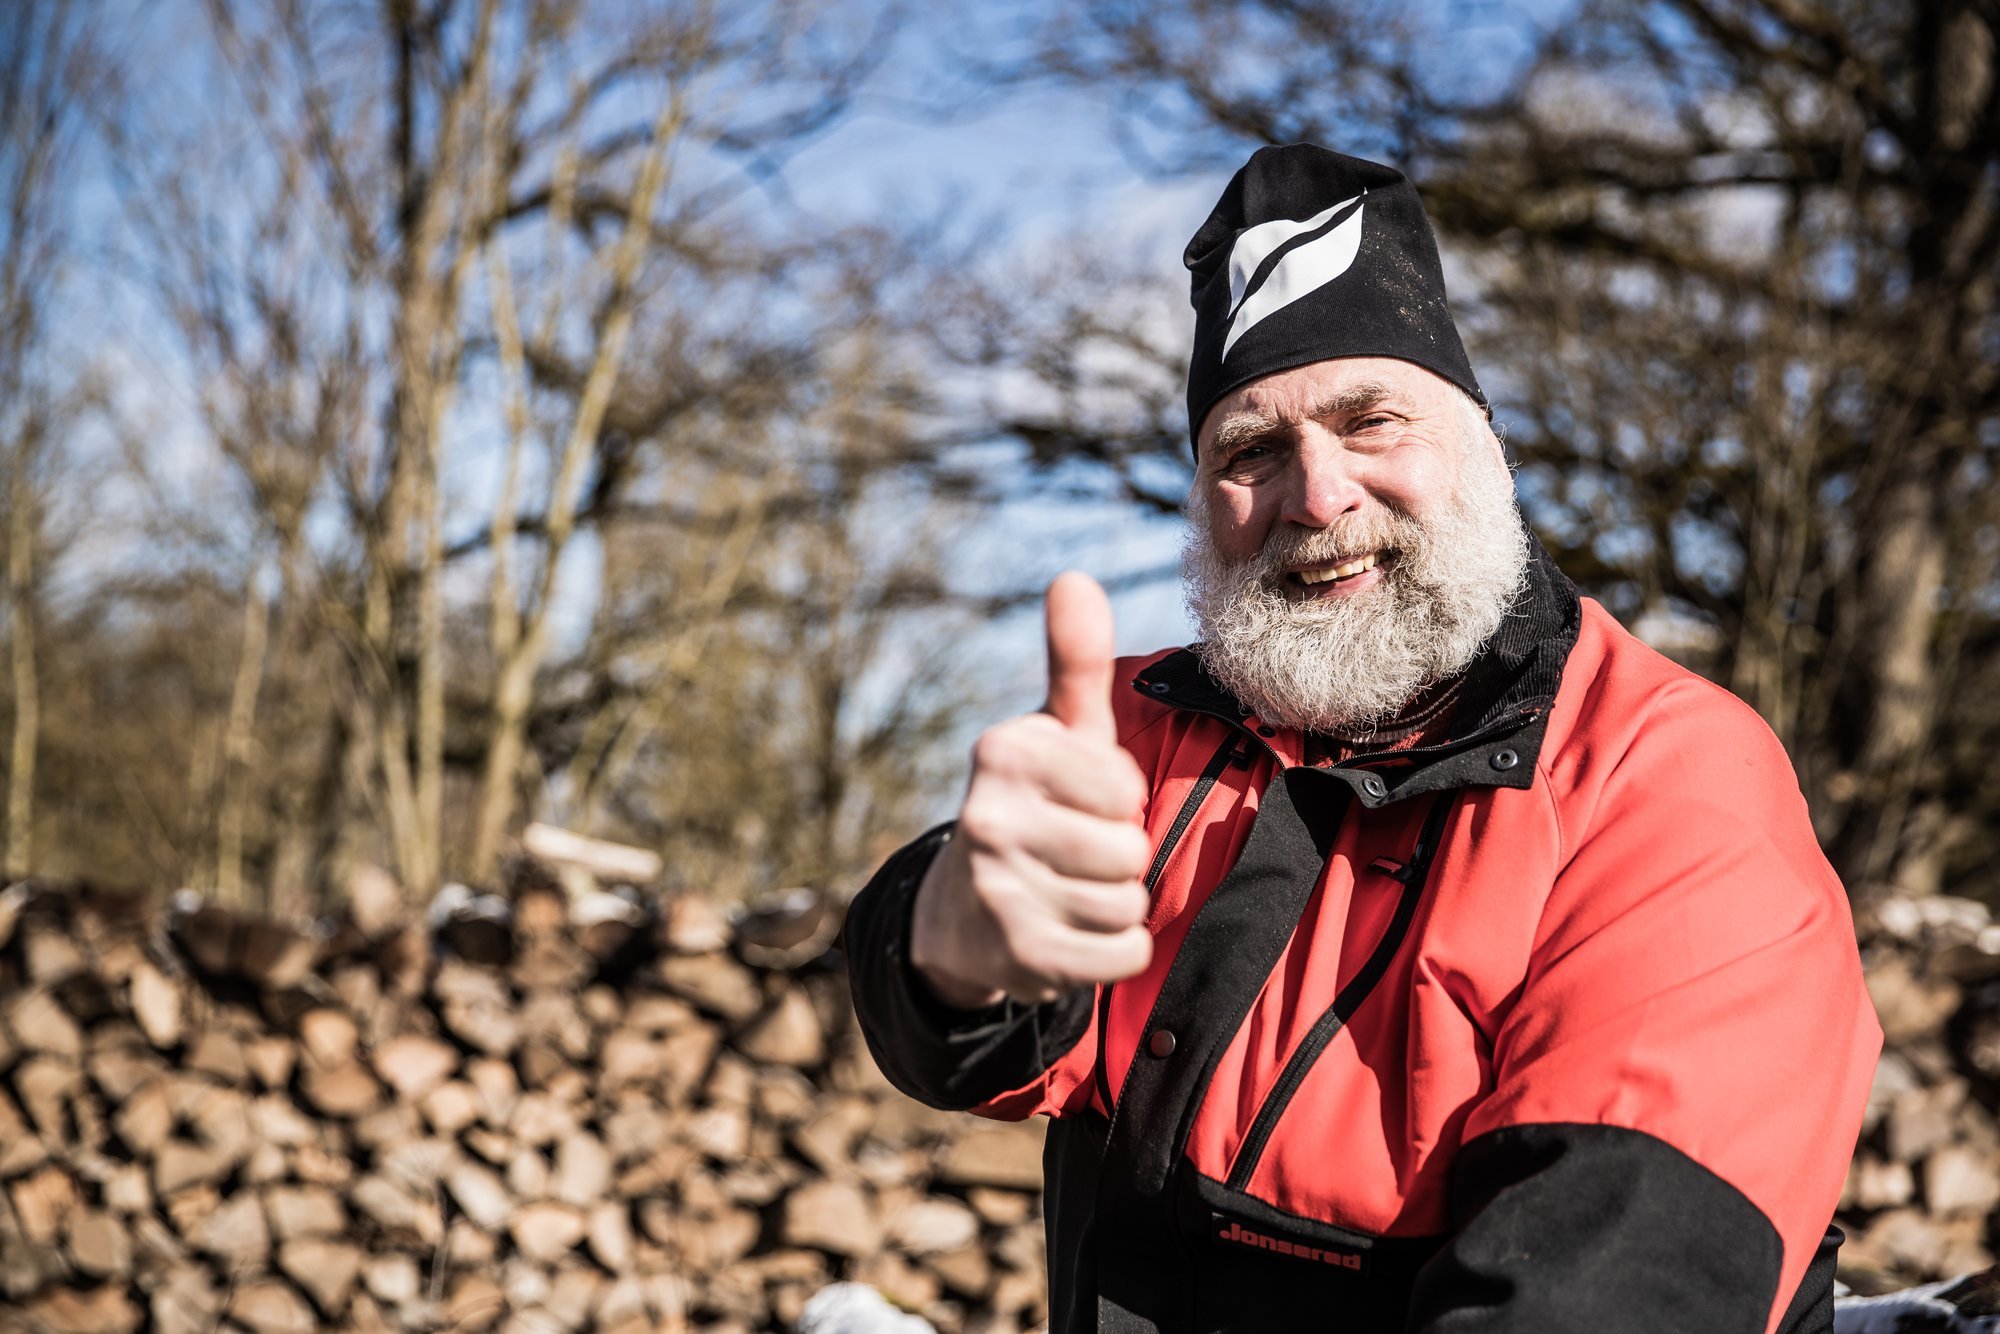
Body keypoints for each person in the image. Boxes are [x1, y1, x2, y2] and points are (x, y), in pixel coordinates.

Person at [843, 144, 1881, 1334]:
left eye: (1368, 420)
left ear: (1483, 444)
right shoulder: (1133, 728)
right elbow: (969, 1039)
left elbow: (1604, 1293)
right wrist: (941, 943)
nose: (1316, 494)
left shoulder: (1668, 779)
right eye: (1250, 450)